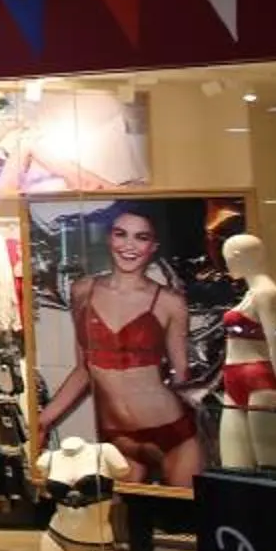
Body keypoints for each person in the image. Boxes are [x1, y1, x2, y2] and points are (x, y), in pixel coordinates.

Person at [40, 201, 203, 482]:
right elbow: (84, 370)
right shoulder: (83, 291)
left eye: (142, 237)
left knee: (186, 521)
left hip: (172, 431)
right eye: (120, 234)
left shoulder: (170, 302)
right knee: (121, 523)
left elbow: (183, 376)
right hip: (117, 437)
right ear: (108, 238)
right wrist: (44, 419)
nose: (129, 245)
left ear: (153, 246)